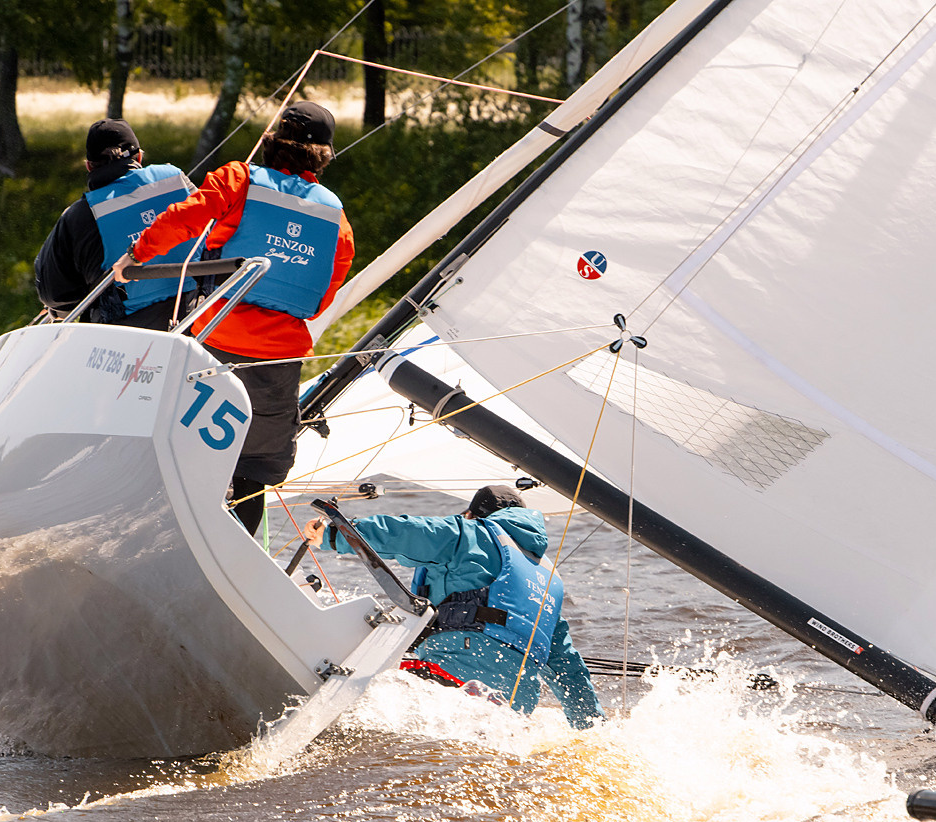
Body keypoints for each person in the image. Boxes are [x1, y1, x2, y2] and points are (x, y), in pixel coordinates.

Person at [112, 100, 354, 536]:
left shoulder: (238, 179)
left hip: (216, 338)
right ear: (323, 156)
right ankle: (233, 553)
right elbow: (319, 300)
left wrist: (136, 256)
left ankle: (160, 539)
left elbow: (185, 218)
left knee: (186, 452)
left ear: (272, 143)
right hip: (279, 362)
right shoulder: (337, 219)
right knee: (252, 474)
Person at [310, 485, 603, 728]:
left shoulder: (471, 533)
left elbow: (410, 533)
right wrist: (592, 727)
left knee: (357, 694)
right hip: (517, 705)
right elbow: (569, 668)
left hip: (458, 672)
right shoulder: (546, 579)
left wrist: (337, 533)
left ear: (473, 514)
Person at [33, 119, 201, 330]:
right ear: (139, 157)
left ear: (89, 166)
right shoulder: (177, 180)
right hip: (200, 315)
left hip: (128, 335)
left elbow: (55, 295)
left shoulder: (80, 215)